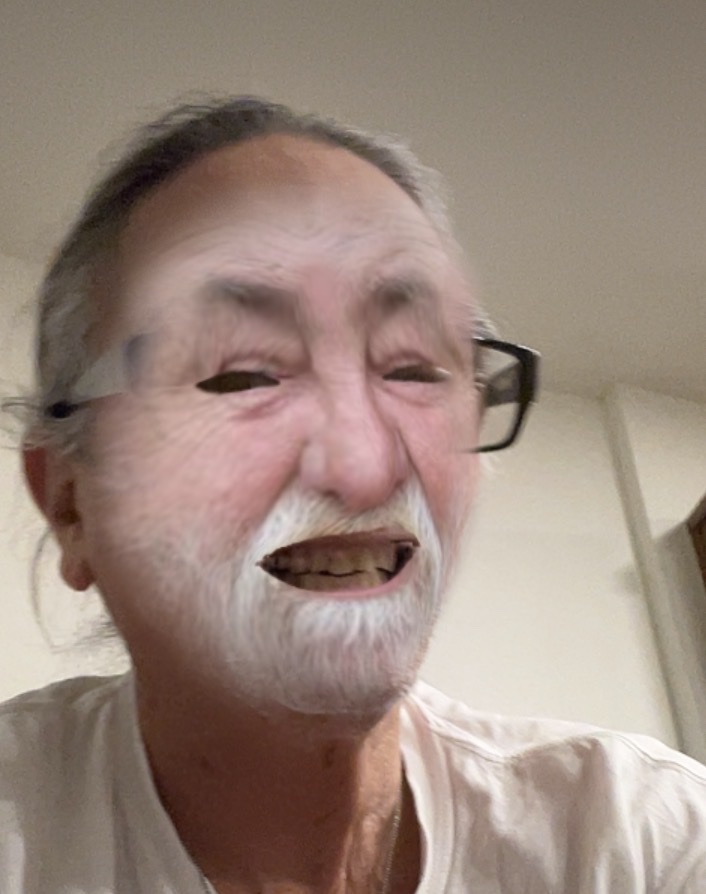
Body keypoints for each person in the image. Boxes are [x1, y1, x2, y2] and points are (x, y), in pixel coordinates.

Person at [0, 97, 704, 894]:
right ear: (70, 504)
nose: (366, 465)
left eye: (414, 369)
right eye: (241, 374)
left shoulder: (642, 839)